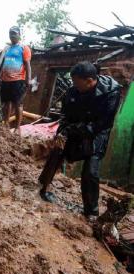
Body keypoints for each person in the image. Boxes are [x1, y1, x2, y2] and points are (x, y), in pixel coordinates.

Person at [39, 62, 121, 221]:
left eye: (77, 82)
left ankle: (91, 211)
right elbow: (64, 115)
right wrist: (62, 130)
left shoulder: (111, 92)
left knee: (91, 169)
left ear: (90, 80)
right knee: (57, 150)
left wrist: (76, 129)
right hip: (73, 126)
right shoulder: (73, 91)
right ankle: (43, 186)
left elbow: (102, 123)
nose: (74, 85)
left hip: (97, 132)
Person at [0, 26, 32, 135]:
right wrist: (0, 77)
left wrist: (28, 80)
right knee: (6, 103)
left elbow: (27, 64)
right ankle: (5, 124)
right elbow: (4, 64)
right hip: (5, 80)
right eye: (10, 33)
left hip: (18, 80)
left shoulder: (24, 48)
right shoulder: (7, 49)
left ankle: (18, 128)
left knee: (18, 104)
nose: (12, 35)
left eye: (14, 33)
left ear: (19, 35)